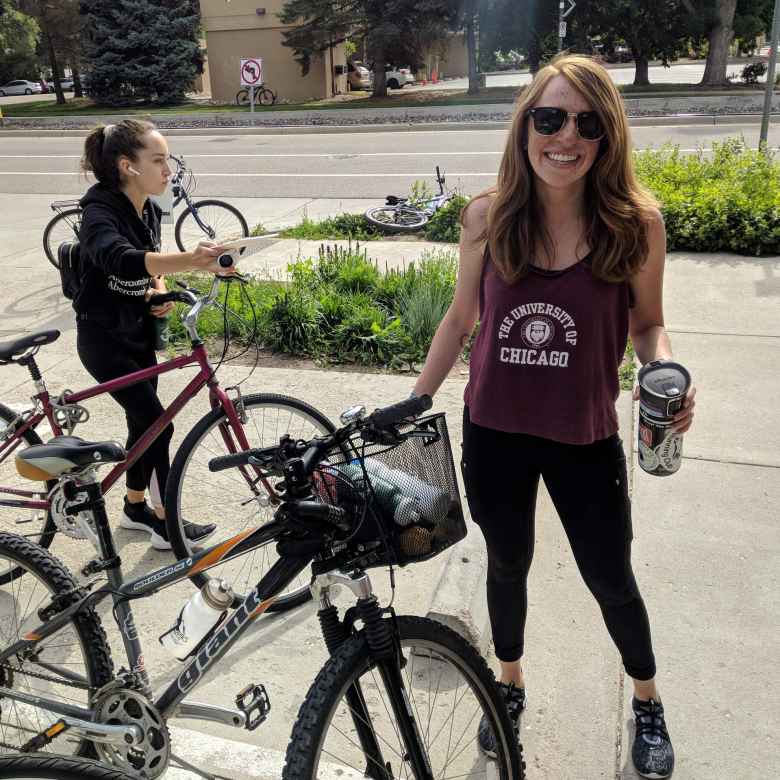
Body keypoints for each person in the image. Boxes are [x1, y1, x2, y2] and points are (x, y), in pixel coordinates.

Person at [412, 54, 696, 779]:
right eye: (549, 118)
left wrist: (665, 373)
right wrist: (412, 404)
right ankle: (508, 687)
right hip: (496, 432)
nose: (565, 136)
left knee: (611, 578)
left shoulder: (636, 225)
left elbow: (649, 325)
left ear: (607, 137)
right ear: (525, 126)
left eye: (587, 122)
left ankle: (647, 699)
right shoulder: (487, 216)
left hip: (585, 437)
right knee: (507, 566)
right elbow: (460, 319)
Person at [77, 119, 231, 551]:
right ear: (128, 165)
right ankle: (165, 520)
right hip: (104, 338)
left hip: (138, 330)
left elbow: (150, 266)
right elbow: (120, 259)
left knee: (142, 424)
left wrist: (159, 292)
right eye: (159, 160)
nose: (169, 170)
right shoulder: (98, 212)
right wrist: (190, 261)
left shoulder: (146, 207)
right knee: (159, 425)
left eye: (170, 160)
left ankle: (134, 506)